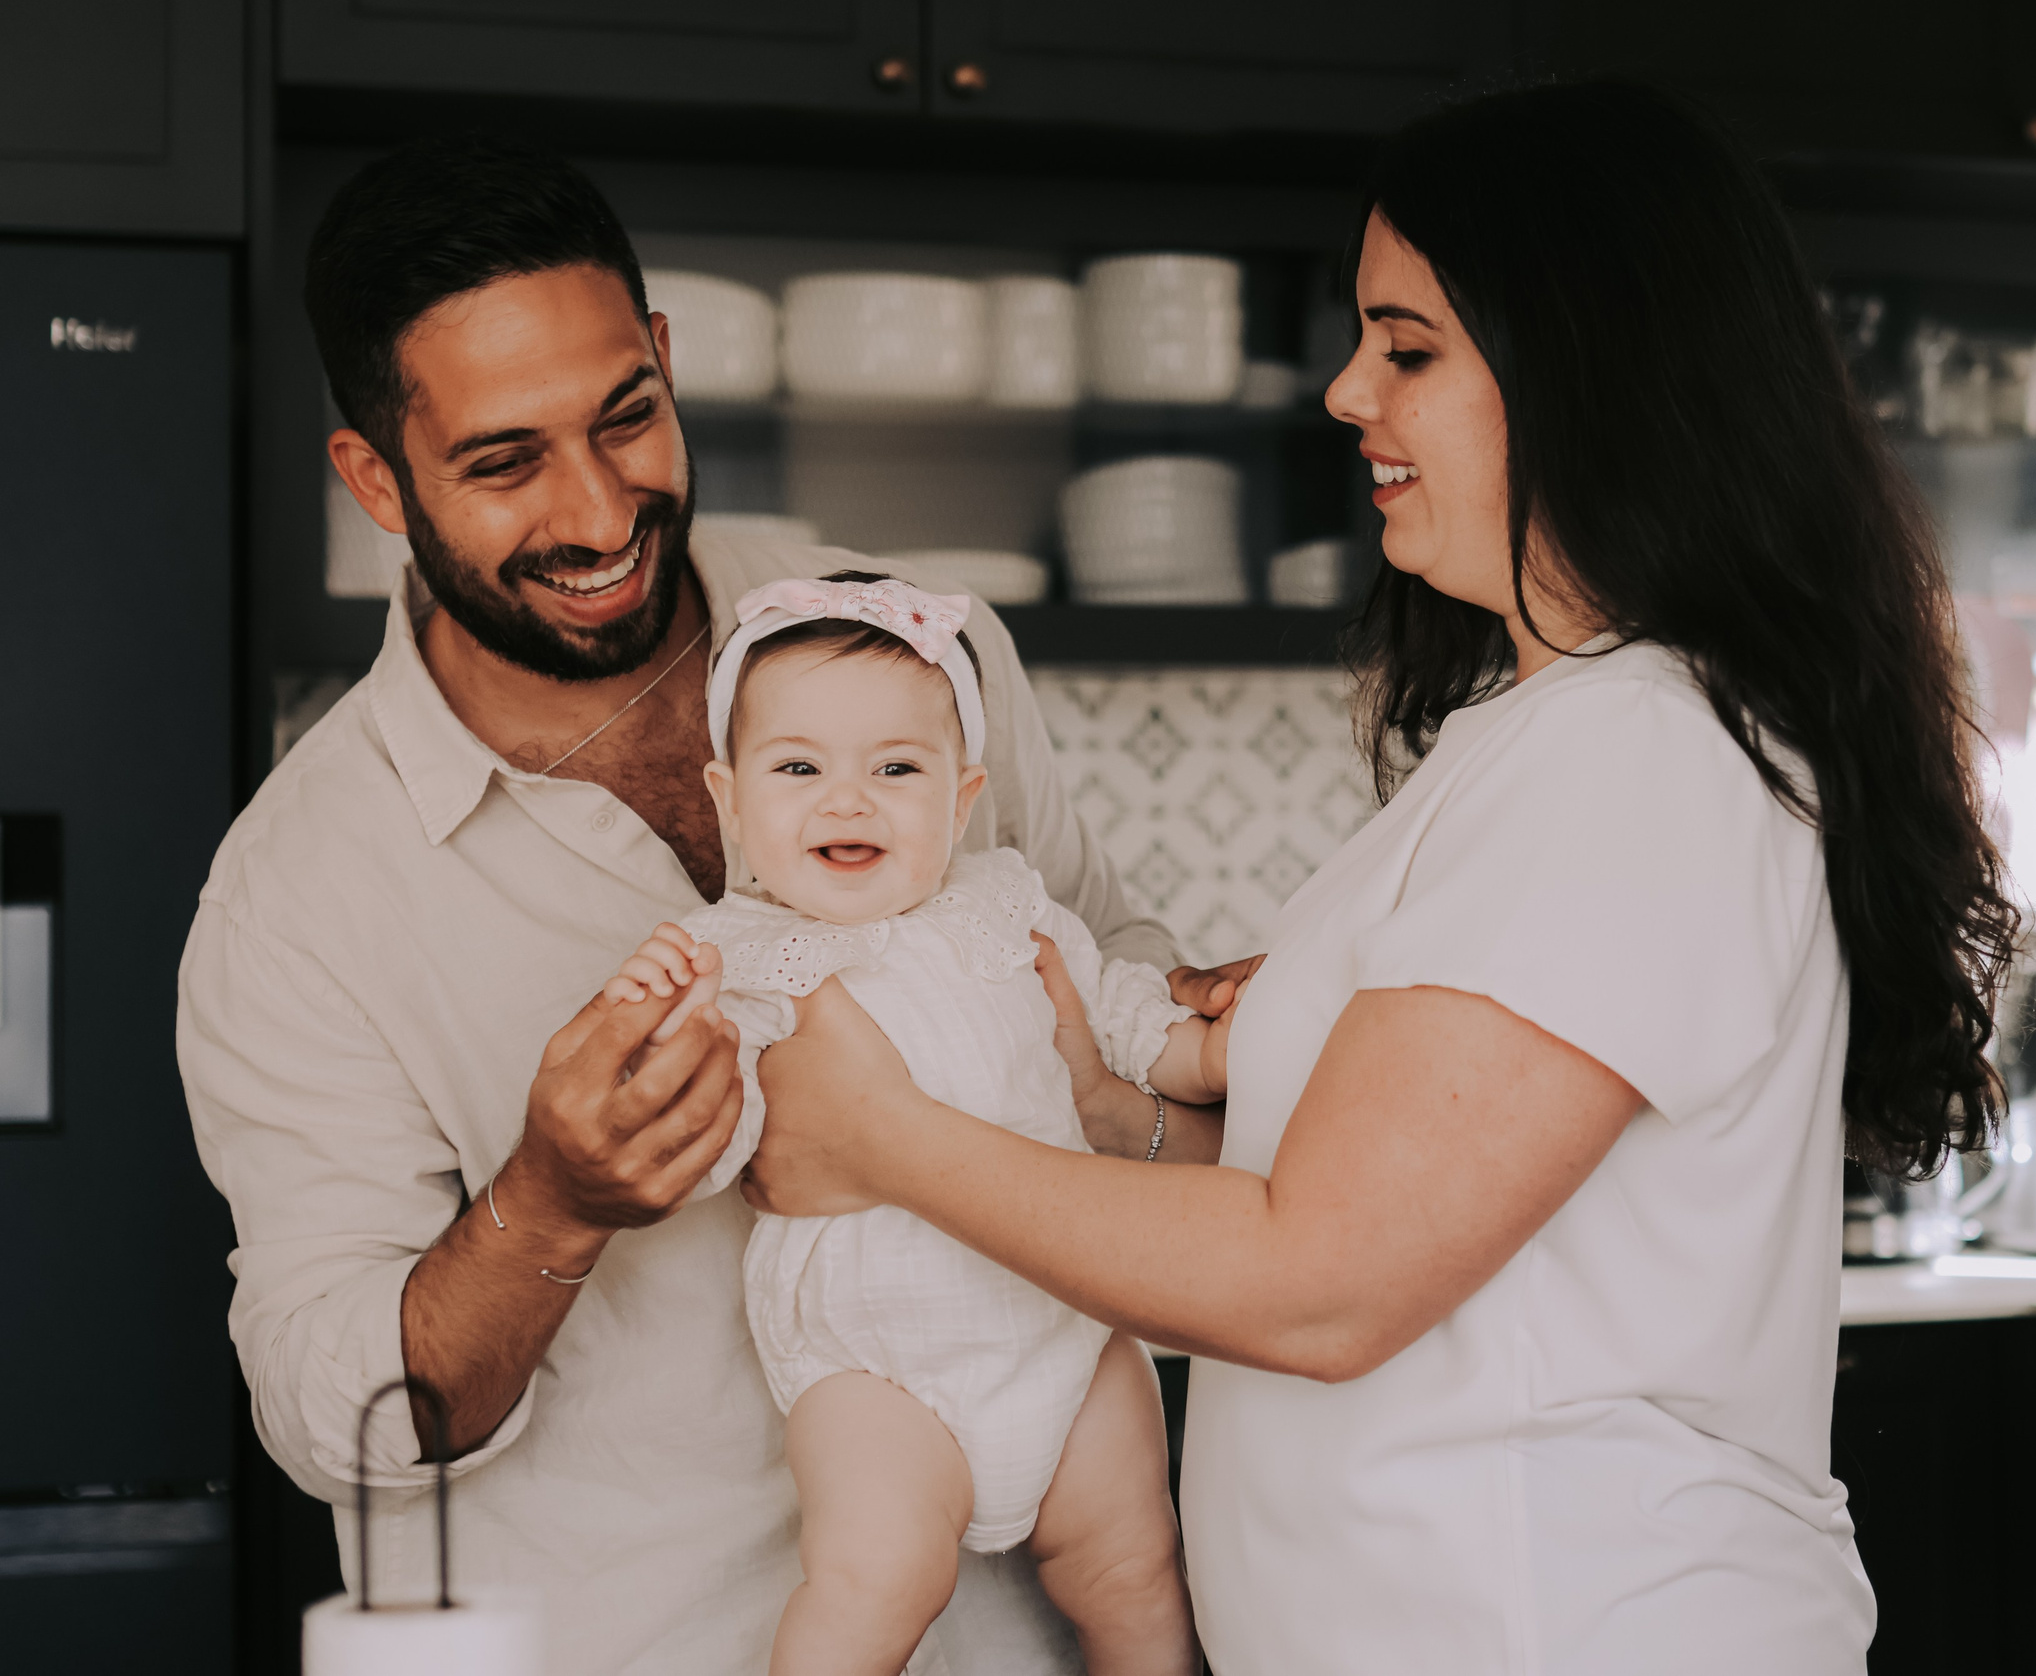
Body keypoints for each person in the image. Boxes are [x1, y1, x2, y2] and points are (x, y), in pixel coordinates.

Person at [743, 79, 2019, 1673]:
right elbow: (1360, 1176)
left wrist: (887, 1138)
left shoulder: (1638, 753)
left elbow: (1322, 1279)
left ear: (1583, 367)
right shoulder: (1542, 726)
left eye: (1408, 346)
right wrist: (1100, 1095)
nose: (1349, 391)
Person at [176, 135, 1240, 1675]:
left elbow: (1117, 1043)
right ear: (374, 481)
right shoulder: (297, 895)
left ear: (666, 362)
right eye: (503, 460)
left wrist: (1203, 1042)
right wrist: (548, 1203)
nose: (602, 511)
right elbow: (338, 1419)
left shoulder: (924, 651)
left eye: (628, 417)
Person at [600, 571, 1211, 1676]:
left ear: (963, 797)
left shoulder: (1009, 906)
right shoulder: (737, 960)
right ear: (731, 802)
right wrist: (657, 1039)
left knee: (1134, 1571)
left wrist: (1209, 1048)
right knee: (876, 1583)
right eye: (799, 769)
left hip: (1066, 1326)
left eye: (895, 769)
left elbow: (1120, 1020)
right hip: (877, 1362)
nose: (847, 801)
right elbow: (712, 1151)